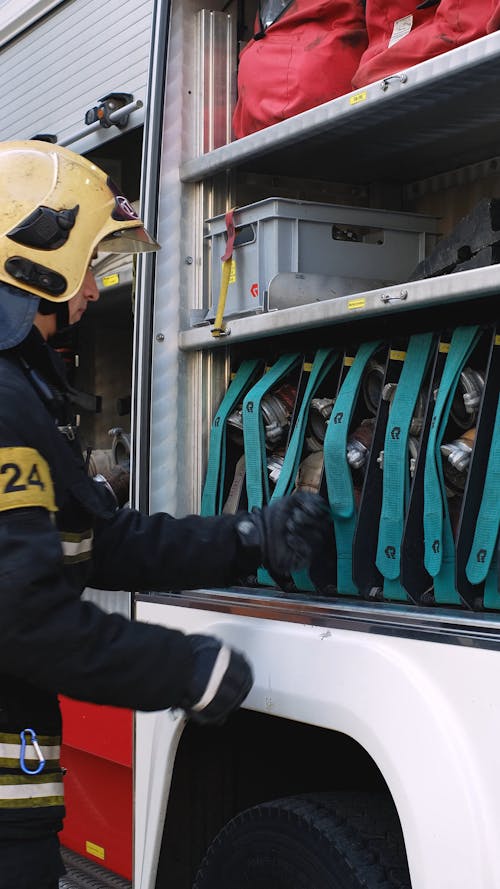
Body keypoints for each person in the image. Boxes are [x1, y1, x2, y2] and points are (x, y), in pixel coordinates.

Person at [0, 141, 332, 888]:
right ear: (32, 264)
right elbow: (23, 620)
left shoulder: (20, 393)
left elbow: (99, 543)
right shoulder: (4, 404)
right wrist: (185, 667)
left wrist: (248, 538)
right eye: (88, 264)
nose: (93, 289)